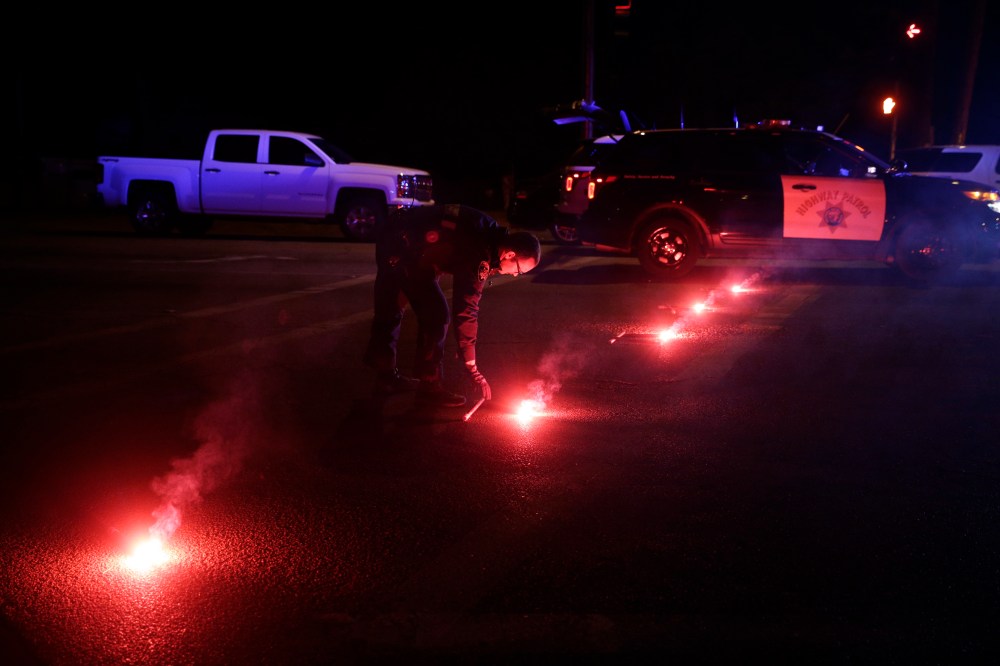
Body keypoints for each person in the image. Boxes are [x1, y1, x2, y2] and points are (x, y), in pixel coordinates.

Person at [363, 203, 542, 408]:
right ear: (509, 254)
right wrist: (471, 366)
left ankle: (386, 379)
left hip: (403, 239)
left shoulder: (489, 235)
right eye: (519, 269)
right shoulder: (479, 250)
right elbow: (466, 309)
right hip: (402, 246)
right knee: (435, 315)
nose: (515, 274)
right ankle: (429, 387)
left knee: (394, 308)